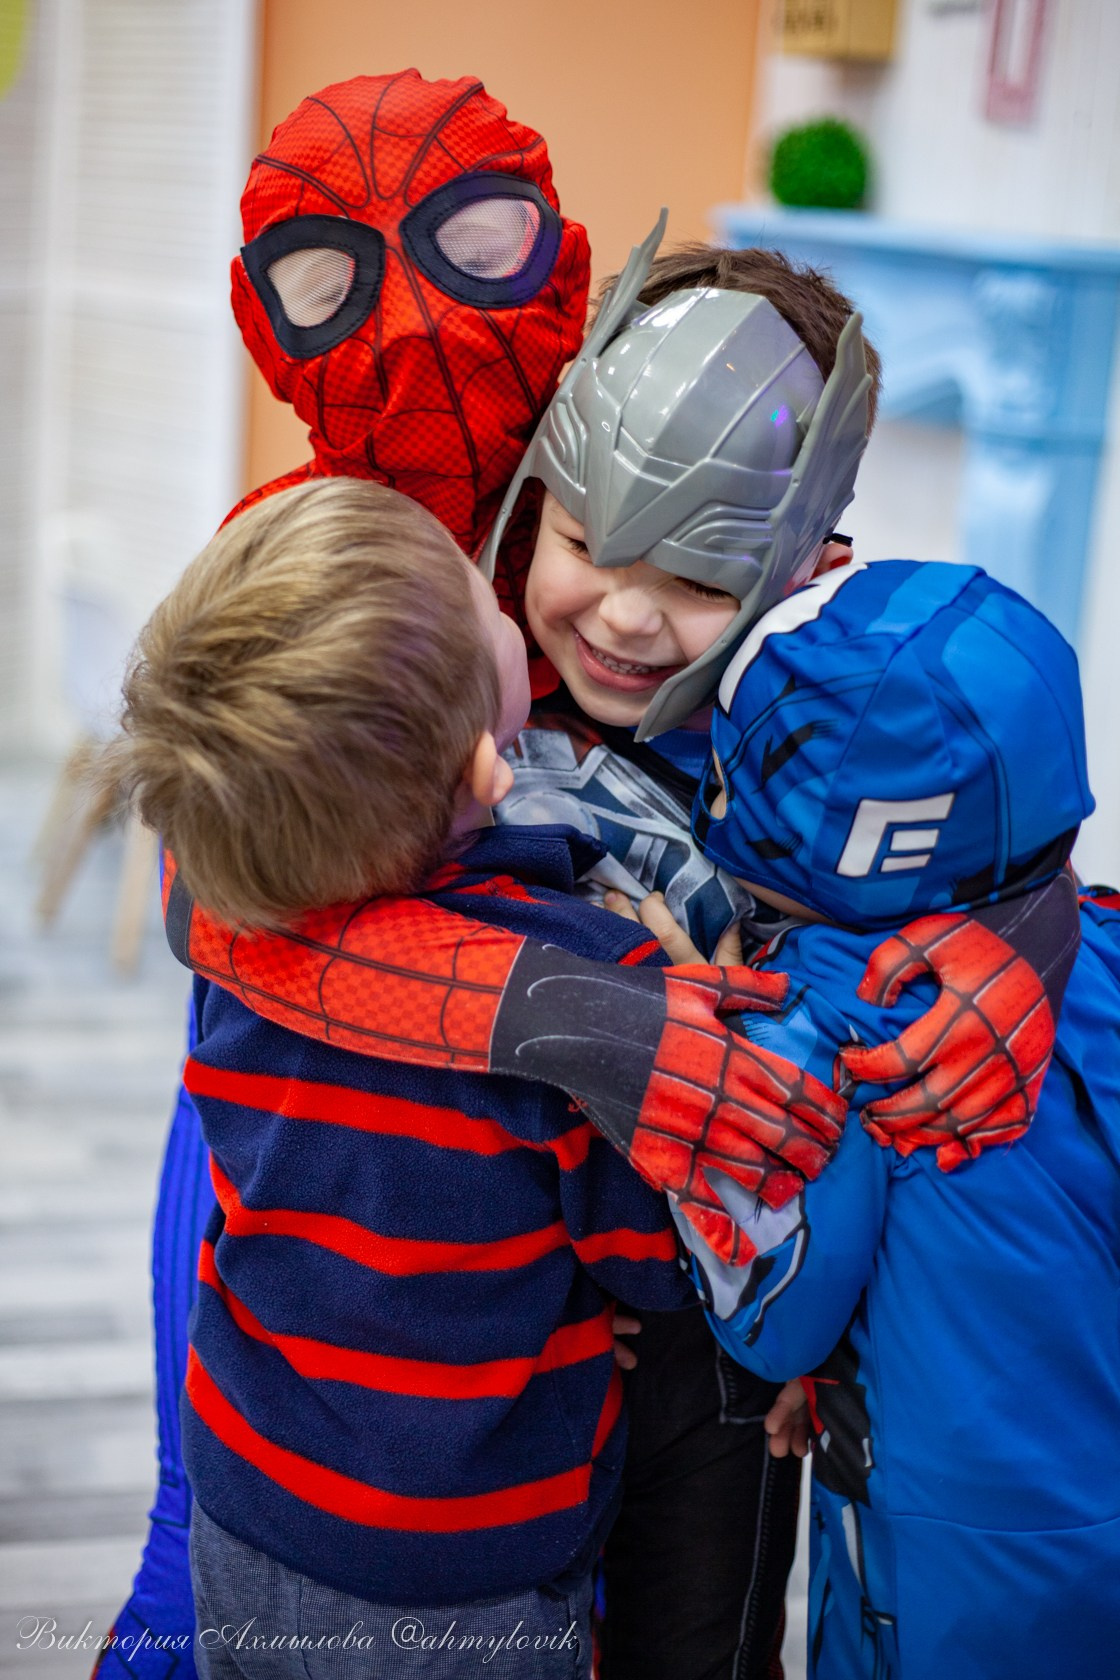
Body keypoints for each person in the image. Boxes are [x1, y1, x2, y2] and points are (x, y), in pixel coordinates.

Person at [155, 219, 1080, 1680]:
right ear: (541, 494)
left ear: (811, 568)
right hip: (392, 1318)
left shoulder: (833, 716)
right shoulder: (430, 647)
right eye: (589, 547)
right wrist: (568, 1015)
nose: (631, 616)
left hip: (682, 1355)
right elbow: (212, 902)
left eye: (706, 581)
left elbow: (1003, 811)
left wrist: (1025, 927)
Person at [104, 474, 833, 1678]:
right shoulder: (581, 968)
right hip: (459, 1575)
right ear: (492, 770)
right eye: (478, 604)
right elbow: (652, 1263)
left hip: (245, 1505)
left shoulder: (236, 911)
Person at [662, 557, 1120, 1679]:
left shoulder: (823, 1014)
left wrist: (692, 1028)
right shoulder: (1096, 935)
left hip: (956, 1559)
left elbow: (771, 1322)